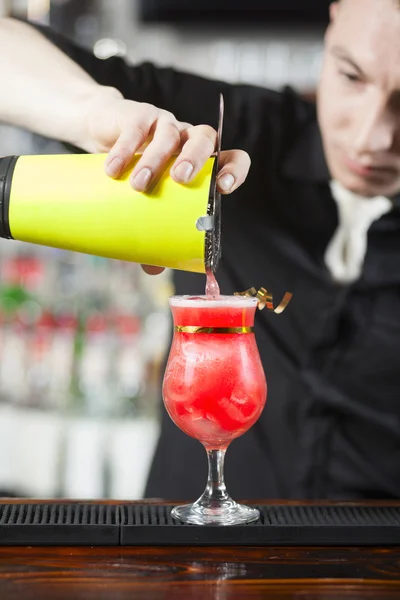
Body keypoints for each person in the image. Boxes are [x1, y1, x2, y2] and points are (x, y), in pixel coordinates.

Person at [1, 0, 400, 501]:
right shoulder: (237, 136)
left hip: (377, 569)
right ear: (335, 18)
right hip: (182, 548)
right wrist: (93, 111)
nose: (372, 137)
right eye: (350, 76)